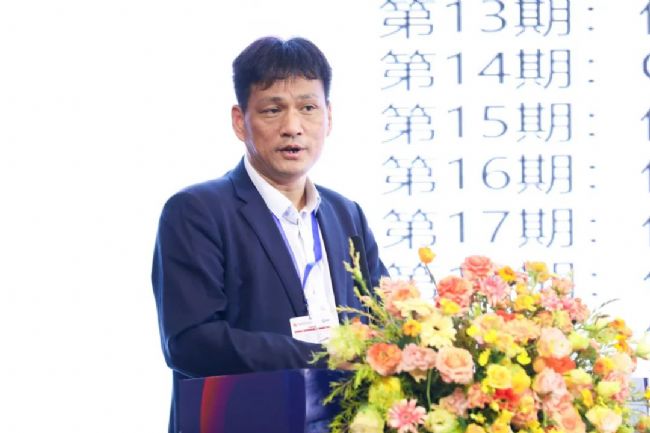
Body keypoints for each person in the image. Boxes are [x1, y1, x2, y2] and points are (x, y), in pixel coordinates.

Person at [151, 36, 387, 432]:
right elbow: (191, 342)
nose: (292, 127)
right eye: (273, 110)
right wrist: (323, 357)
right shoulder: (197, 211)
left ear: (329, 117)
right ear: (240, 121)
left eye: (308, 108)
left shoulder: (346, 215)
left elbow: (382, 318)